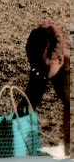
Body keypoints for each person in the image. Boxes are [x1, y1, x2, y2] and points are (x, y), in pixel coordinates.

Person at [21, 21, 69, 156]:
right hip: (40, 52)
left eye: (46, 71)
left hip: (62, 66)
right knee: (29, 101)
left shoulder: (66, 64)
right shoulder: (36, 47)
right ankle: (17, 138)